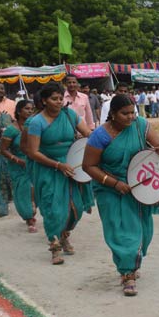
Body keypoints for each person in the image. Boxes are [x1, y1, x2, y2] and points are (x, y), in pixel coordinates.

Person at [83, 94, 159, 297]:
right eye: (125, 113)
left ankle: (131, 263)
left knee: (143, 232)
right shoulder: (100, 135)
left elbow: (158, 147)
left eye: (133, 112)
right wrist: (114, 183)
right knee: (121, 232)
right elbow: (89, 166)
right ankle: (128, 274)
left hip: (138, 186)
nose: (131, 117)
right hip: (110, 188)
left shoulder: (140, 125)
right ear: (113, 114)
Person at [25, 82, 94, 265]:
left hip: (72, 166)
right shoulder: (36, 122)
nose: (58, 102)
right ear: (44, 101)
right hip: (48, 168)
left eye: (60, 98)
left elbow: (88, 133)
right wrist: (58, 165)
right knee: (52, 208)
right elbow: (33, 152)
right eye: (54, 99)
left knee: (75, 208)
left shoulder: (70, 115)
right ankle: (54, 246)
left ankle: (65, 235)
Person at [1, 100, 38, 233]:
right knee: (23, 191)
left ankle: (33, 208)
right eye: (26, 109)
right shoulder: (11, 129)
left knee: (36, 189)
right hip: (18, 165)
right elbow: (4, 150)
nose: (29, 111)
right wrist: (17, 160)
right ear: (18, 111)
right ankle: (29, 218)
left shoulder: (35, 126)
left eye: (31, 109)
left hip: (34, 162)